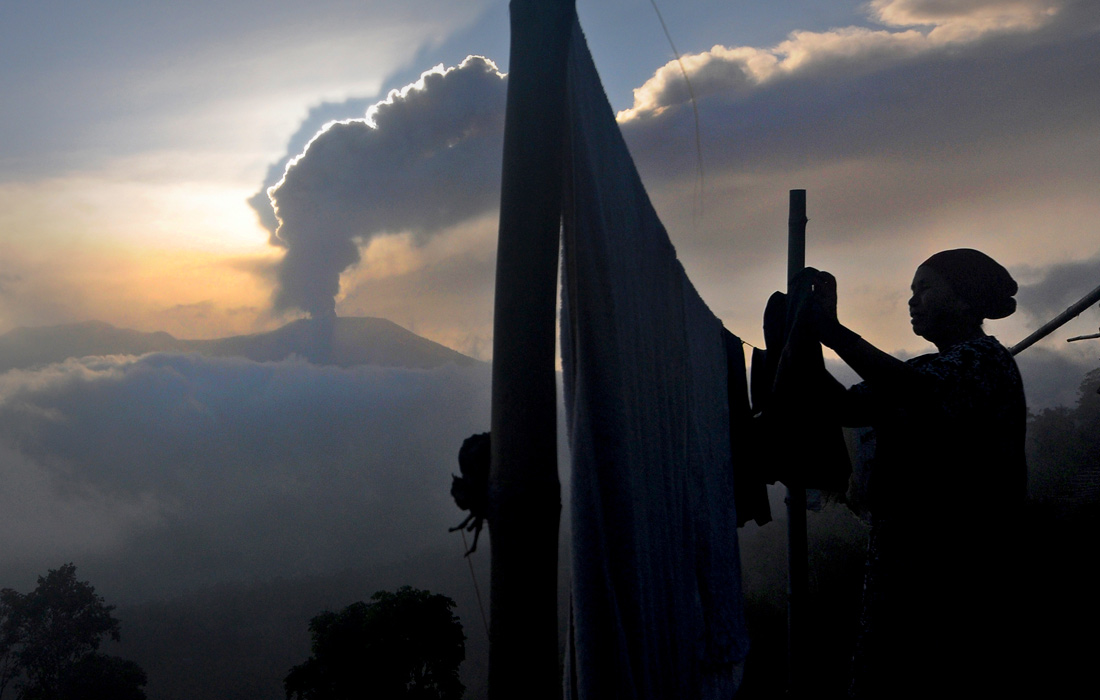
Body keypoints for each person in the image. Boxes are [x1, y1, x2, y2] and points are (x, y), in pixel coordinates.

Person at [807, 249, 1026, 697]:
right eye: (912, 290)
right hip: (906, 573)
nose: (912, 300)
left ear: (964, 300)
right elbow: (845, 406)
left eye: (924, 288)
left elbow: (915, 391)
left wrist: (833, 332)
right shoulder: (925, 370)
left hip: (960, 578)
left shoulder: (984, 360)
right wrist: (800, 337)